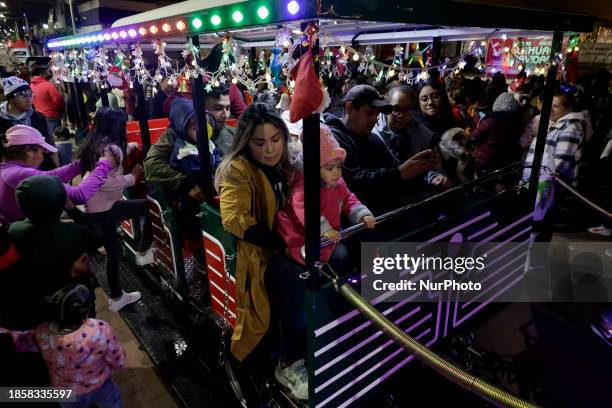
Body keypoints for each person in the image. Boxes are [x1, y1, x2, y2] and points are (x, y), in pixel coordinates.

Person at [214, 103, 292, 369]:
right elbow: (235, 219)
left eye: (275, 139)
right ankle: (274, 362)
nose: (269, 150)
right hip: (259, 254)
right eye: (259, 142)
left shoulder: (286, 163)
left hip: (289, 247)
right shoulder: (236, 168)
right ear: (246, 141)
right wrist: (282, 243)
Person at [0, 284, 126, 407]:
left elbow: (20, 342)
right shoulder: (100, 330)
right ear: (85, 313)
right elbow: (117, 359)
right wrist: (119, 363)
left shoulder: (43, 333)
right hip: (100, 385)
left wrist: (5, 332)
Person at [8, 175, 105, 328]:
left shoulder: (13, 229)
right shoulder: (73, 231)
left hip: (35, 304)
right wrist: (72, 209)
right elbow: (98, 235)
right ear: (60, 203)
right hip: (72, 301)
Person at [324, 84, 436, 214]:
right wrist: (400, 173)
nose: (374, 119)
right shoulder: (330, 139)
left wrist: (418, 168)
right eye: (370, 113)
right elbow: (353, 182)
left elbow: (393, 168)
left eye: (377, 114)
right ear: (350, 107)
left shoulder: (372, 139)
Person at [276, 123, 375, 266]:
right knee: (340, 255)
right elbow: (306, 211)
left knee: (362, 241)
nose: (336, 172)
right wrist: (324, 229)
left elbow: (348, 198)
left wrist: (362, 214)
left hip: (330, 229)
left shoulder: (338, 182)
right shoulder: (303, 187)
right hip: (302, 234)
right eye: (329, 168)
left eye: (339, 167)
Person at [79, 108, 146, 312]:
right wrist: (132, 177)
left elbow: (107, 163)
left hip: (94, 205)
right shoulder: (112, 150)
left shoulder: (94, 142)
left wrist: (131, 146)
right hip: (103, 207)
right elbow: (107, 182)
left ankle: (117, 296)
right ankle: (145, 248)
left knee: (113, 250)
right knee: (147, 207)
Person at [0, 124, 115, 226]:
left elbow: (50, 176)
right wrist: (106, 164)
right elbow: (79, 195)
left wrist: (80, 164)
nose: (43, 157)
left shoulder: (7, 168)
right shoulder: (20, 174)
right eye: (42, 152)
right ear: (29, 150)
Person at [523, 92, 592, 241]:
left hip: (550, 188)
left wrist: (537, 177)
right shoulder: (553, 123)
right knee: (536, 229)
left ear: (568, 108)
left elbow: (562, 162)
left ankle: (537, 262)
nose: (551, 109)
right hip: (541, 184)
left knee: (541, 230)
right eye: (549, 106)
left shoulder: (571, 127)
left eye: (556, 106)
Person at [373, 85, 448, 187]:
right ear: (387, 107)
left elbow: (433, 167)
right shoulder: (372, 133)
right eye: (396, 109)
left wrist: (436, 177)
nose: (401, 115)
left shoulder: (425, 136)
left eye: (407, 109)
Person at [0, 76, 59, 169]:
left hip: (42, 167)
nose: (29, 100)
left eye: (30, 95)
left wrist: (57, 170)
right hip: (13, 172)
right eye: (23, 96)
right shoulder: (2, 121)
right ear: (10, 99)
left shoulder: (38, 117)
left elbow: (50, 144)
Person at [471, 92, 524, 176]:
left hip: (484, 160)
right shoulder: (515, 121)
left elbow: (475, 136)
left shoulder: (491, 119)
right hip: (502, 160)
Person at [30, 65, 64, 137]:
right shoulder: (48, 85)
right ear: (42, 74)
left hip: (39, 116)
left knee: (44, 138)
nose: (48, 74)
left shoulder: (31, 86)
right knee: (55, 138)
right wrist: (61, 111)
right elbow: (58, 100)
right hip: (51, 116)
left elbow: (32, 102)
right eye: (46, 72)